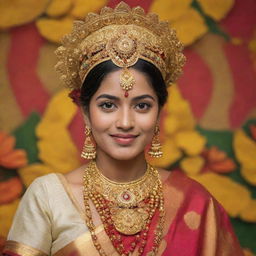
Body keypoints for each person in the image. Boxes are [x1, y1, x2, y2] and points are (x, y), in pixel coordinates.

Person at [3, 2, 244, 256]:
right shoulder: (50, 197)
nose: (126, 122)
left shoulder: (194, 201)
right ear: (85, 113)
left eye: (142, 105)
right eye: (108, 105)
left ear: (159, 111)